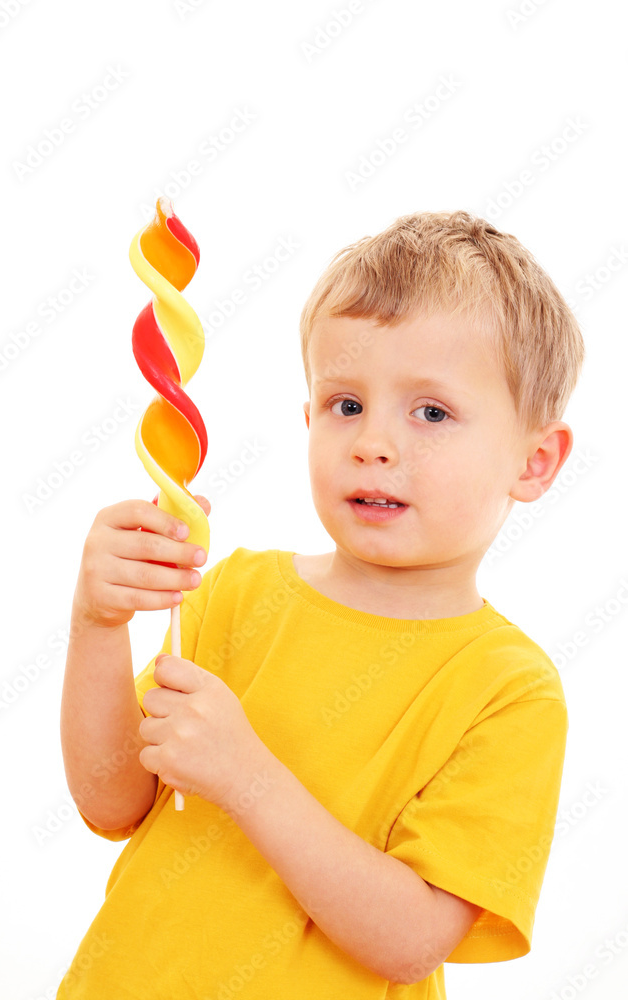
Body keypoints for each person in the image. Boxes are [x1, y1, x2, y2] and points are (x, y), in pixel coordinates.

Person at [56, 210, 585, 999]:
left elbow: (408, 944)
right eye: (345, 405)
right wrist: (98, 623)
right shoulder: (235, 593)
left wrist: (246, 777)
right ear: (308, 419)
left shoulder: (508, 689)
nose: (372, 443)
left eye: (431, 412)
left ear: (533, 462)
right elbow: (111, 800)